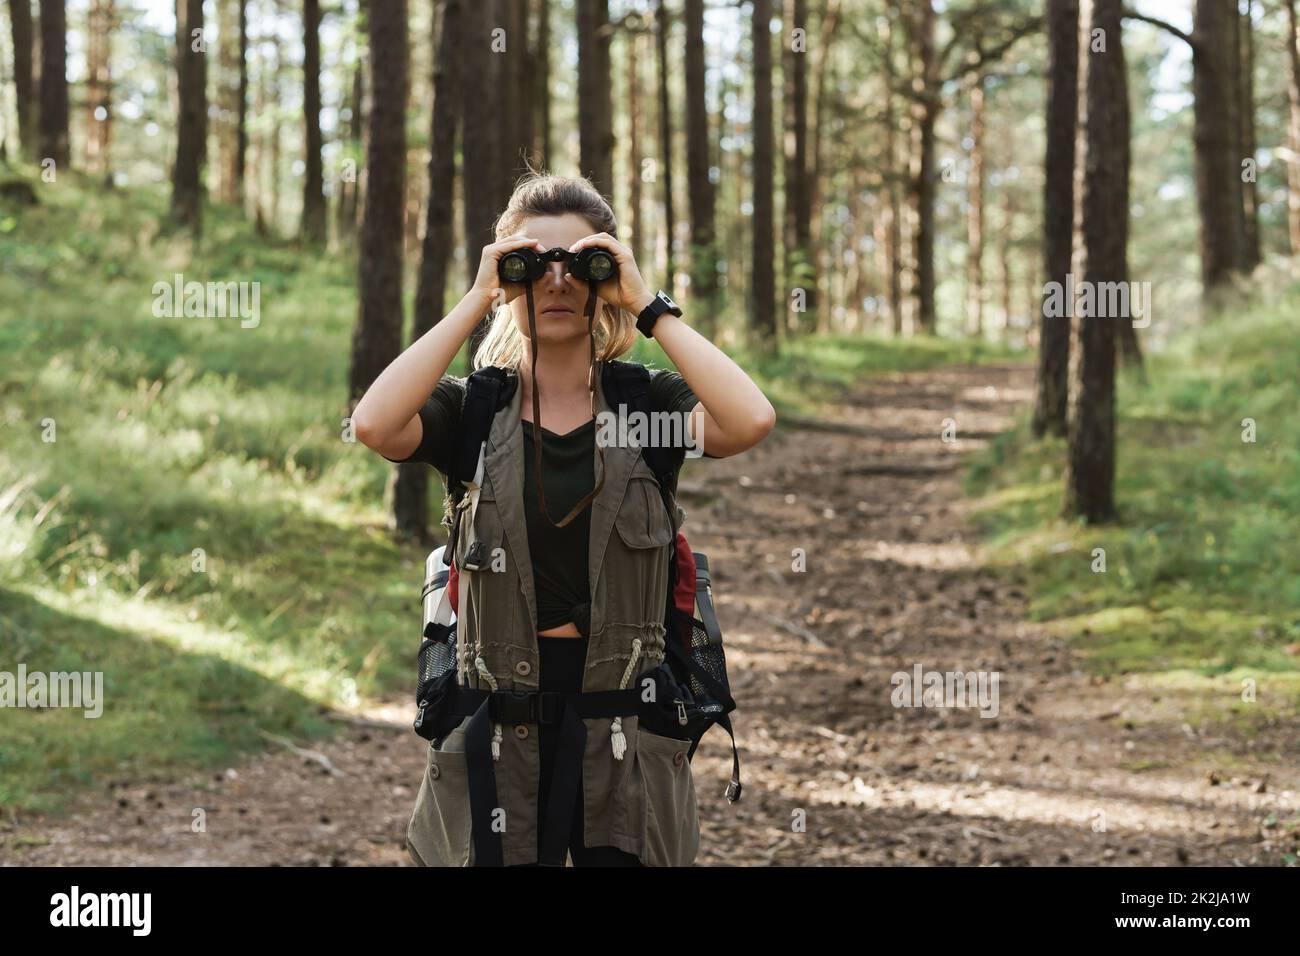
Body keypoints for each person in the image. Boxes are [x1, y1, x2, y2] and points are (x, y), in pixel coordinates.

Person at [352, 171, 775, 866]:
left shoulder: (644, 407)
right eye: (532, 264)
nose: (557, 281)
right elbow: (372, 423)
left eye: (581, 263)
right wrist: (477, 299)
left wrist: (646, 304)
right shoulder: (473, 412)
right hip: (498, 738)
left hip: (624, 739)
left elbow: (750, 419)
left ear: (606, 273)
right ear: (507, 275)